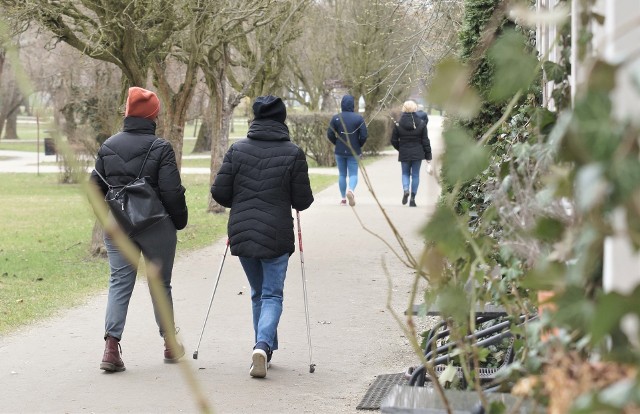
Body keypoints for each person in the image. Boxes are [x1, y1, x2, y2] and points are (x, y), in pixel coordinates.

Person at [211, 95, 314, 379]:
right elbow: (303, 200)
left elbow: (220, 193)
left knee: (259, 293)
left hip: (243, 232)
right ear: (282, 120)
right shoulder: (293, 152)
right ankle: (263, 344)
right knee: (272, 294)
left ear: (255, 119)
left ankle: (265, 349)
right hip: (276, 233)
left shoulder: (237, 149)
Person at [91, 86, 189, 372]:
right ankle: (170, 344)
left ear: (127, 112)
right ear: (153, 116)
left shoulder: (108, 145)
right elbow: (171, 191)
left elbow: (94, 187)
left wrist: (112, 211)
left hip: (118, 226)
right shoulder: (160, 147)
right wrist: (179, 221)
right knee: (160, 284)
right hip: (155, 225)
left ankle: (111, 348)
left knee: (120, 283)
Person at [327, 94, 368, 206]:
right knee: (353, 174)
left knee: (342, 174)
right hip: (354, 150)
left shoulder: (336, 118)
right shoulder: (358, 118)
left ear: (342, 104)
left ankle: (343, 199)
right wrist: (358, 145)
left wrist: (337, 142)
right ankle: (351, 191)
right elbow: (364, 135)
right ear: (353, 105)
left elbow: (330, 133)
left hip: (339, 150)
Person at [390, 100, 432, 207]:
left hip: (404, 152)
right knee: (415, 175)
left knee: (405, 173)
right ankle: (413, 198)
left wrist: (400, 148)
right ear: (415, 109)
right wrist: (428, 156)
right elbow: (425, 141)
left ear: (404, 109)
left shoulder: (398, 123)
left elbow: (393, 140)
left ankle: (405, 190)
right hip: (417, 153)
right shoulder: (421, 123)